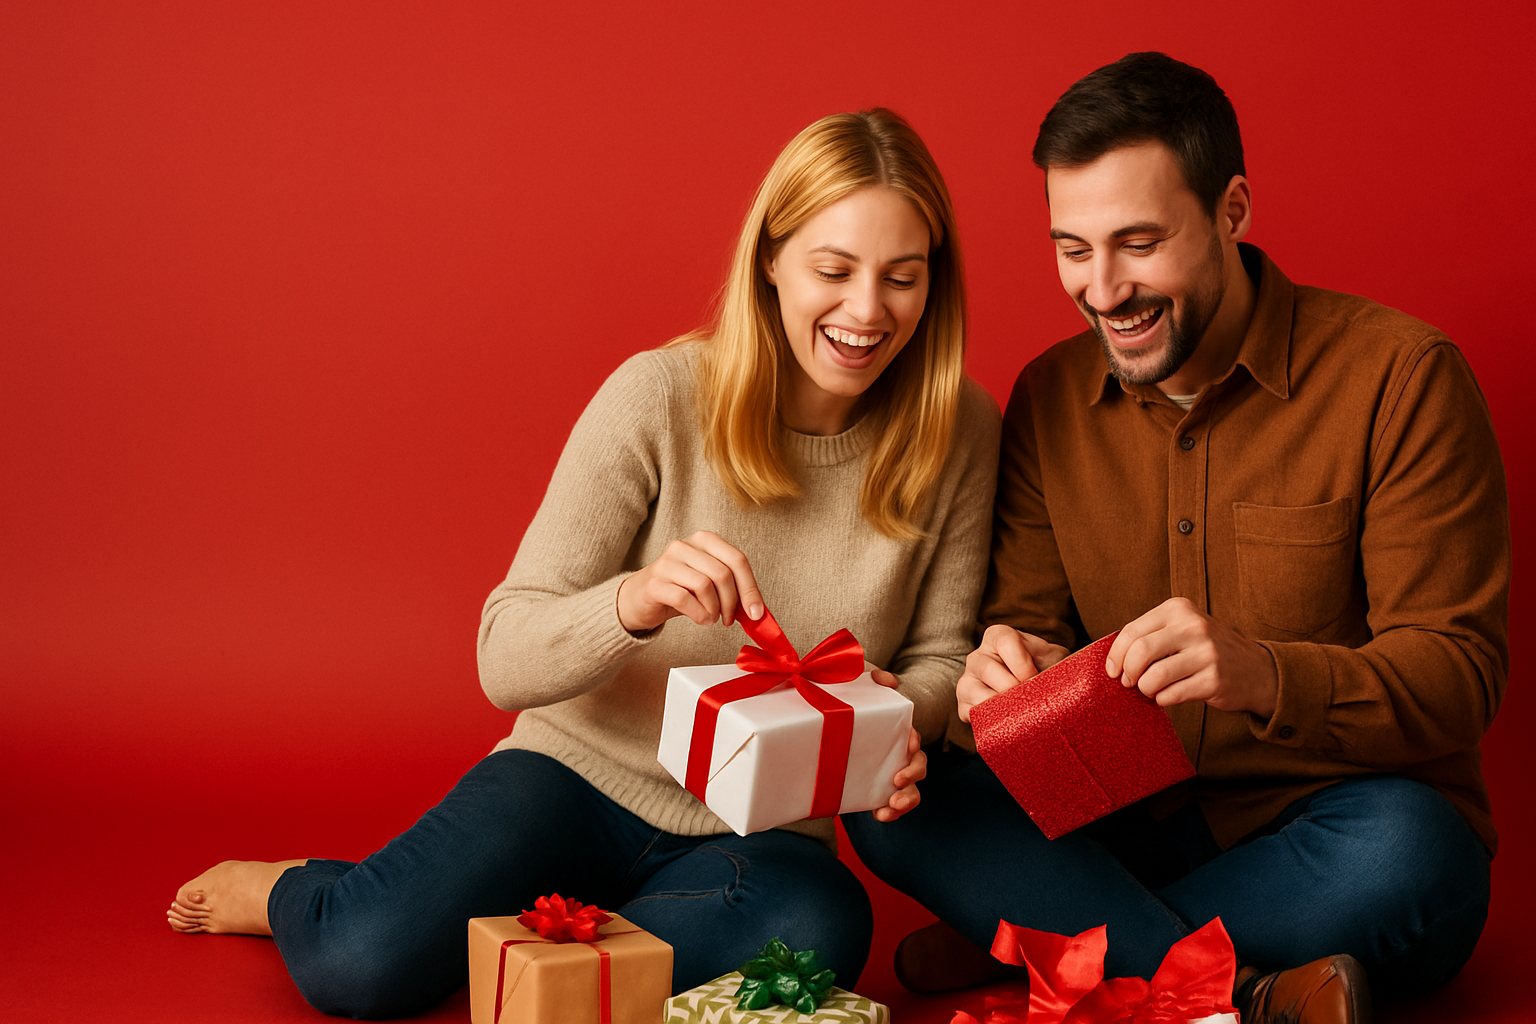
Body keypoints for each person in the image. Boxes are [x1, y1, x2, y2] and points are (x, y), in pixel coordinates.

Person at [166, 108, 1001, 1018]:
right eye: (833, 271)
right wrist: (632, 602)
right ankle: (302, 890)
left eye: (902, 278)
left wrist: (891, 716)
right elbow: (503, 657)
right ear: (771, 260)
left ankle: (531, 945)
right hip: (572, 780)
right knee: (356, 959)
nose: (868, 311)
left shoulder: (959, 430)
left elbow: (941, 658)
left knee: (818, 929)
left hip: (756, 834)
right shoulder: (658, 396)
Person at [844, 53, 1509, 1024]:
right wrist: (1010, 675)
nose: (1104, 289)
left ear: (1232, 210)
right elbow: (1024, 626)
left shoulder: (1402, 379)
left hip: (1329, 823)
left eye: (1139, 243)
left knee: (1413, 854)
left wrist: (1263, 673)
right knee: (897, 799)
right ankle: (1215, 984)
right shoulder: (1048, 397)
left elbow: (1459, 676)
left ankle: (1056, 943)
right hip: (1122, 822)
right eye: (1073, 249)